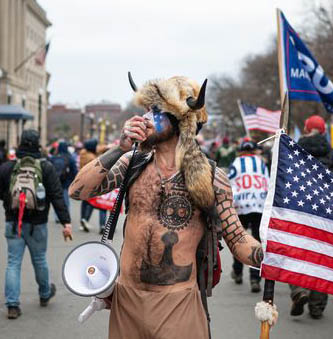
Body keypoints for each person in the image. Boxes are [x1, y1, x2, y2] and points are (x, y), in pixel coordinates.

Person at [69, 75, 264, 339]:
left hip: (178, 303)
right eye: (147, 110)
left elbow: (237, 237)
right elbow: (79, 190)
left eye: (156, 112)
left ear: (182, 122)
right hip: (127, 300)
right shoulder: (132, 162)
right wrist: (120, 147)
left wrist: (269, 254)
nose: (146, 118)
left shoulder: (210, 177)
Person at [0, 130, 72, 319]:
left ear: (20, 143)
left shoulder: (7, 167)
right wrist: (66, 221)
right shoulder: (46, 167)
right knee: (39, 259)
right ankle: (45, 293)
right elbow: (57, 195)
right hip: (38, 224)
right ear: (38, 144)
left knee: (13, 263)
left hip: (13, 222)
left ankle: (13, 305)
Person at [288, 115, 333, 320]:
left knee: (297, 253)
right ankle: (317, 306)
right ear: (324, 132)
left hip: (298, 212)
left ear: (306, 130)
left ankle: (299, 289)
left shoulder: (291, 153)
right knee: (322, 259)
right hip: (327, 216)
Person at [228, 140, 269, 293]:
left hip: (241, 206)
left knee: (238, 240)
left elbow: (230, 182)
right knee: (256, 242)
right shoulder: (261, 163)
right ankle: (254, 278)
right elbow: (267, 181)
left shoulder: (236, 163)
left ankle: (237, 272)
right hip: (259, 205)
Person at [78, 139, 107, 232]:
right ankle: (89, 221)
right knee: (93, 201)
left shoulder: (83, 154)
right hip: (91, 180)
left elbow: (97, 149)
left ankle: (83, 219)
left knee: (85, 202)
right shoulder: (92, 157)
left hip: (82, 180)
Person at [49, 141, 78, 215]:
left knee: (57, 200)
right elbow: (74, 171)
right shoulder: (70, 158)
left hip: (56, 182)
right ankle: (65, 215)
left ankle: (57, 216)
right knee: (65, 200)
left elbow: (50, 170)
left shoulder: (54, 158)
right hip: (66, 183)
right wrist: (72, 181)